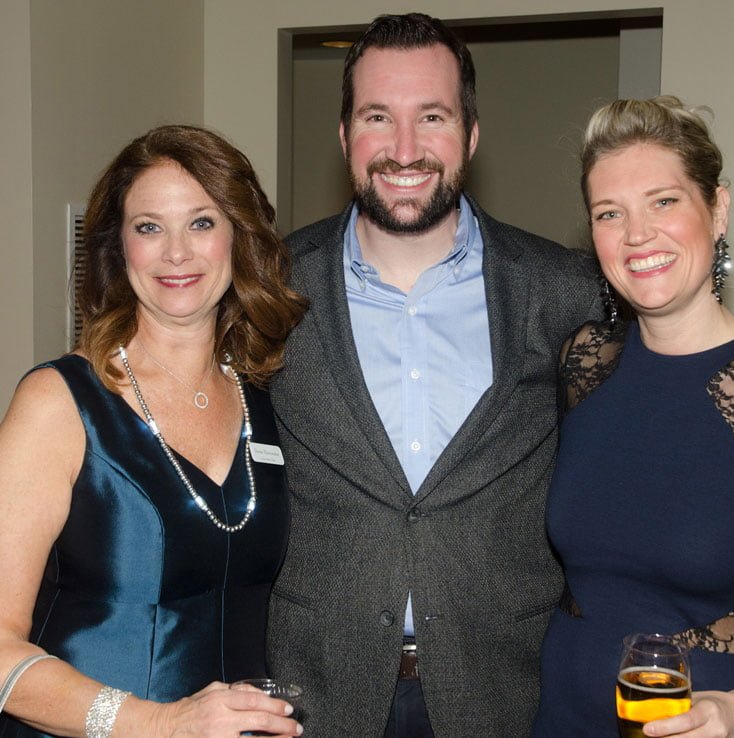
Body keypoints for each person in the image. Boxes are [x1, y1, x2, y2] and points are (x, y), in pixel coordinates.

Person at [265, 12, 604, 738]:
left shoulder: (566, 291)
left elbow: (621, 489)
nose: (406, 148)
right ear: (345, 135)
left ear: (471, 135)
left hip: (506, 697)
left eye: (434, 117)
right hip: (315, 701)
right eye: (378, 116)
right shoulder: (270, 291)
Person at [0, 125, 307, 738]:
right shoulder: (59, 403)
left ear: (239, 238)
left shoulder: (266, 400)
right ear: (118, 249)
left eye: (201, 222)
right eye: (148, 227)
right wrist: (159, 724)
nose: (176, 253)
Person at [530, 96, 734, 738]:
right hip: (559, 718)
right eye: (609, 213)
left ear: (719, 207)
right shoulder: (583, 362)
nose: (637, 234)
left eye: (664, 201)